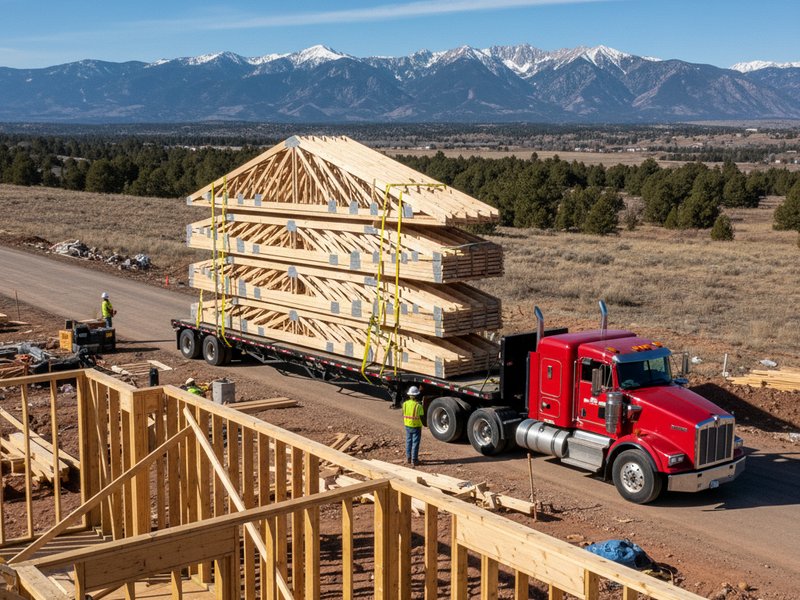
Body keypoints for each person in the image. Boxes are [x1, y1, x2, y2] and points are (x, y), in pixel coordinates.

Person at [402, 386, 424, 466]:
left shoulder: (404, 404)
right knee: (415, 443)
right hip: (416, 426)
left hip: (407, 425)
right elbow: (422, 416)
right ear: (417, 395)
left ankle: (408, 458)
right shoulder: (418, 406)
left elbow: (403, 413)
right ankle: (414, 460)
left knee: (408, 441)